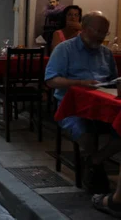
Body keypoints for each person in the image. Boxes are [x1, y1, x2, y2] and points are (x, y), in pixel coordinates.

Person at [46, 11, 121, 194]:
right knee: (86, 132)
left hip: (101, 107)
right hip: (71, 107)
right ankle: (95, 168)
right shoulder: (65, 49)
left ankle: (95, 161)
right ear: (85, 29)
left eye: (105, 33)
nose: (102, 37)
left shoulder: (105, 53)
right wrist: (79, 83)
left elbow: (112, 79)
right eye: (98, 31)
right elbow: (51, 80)